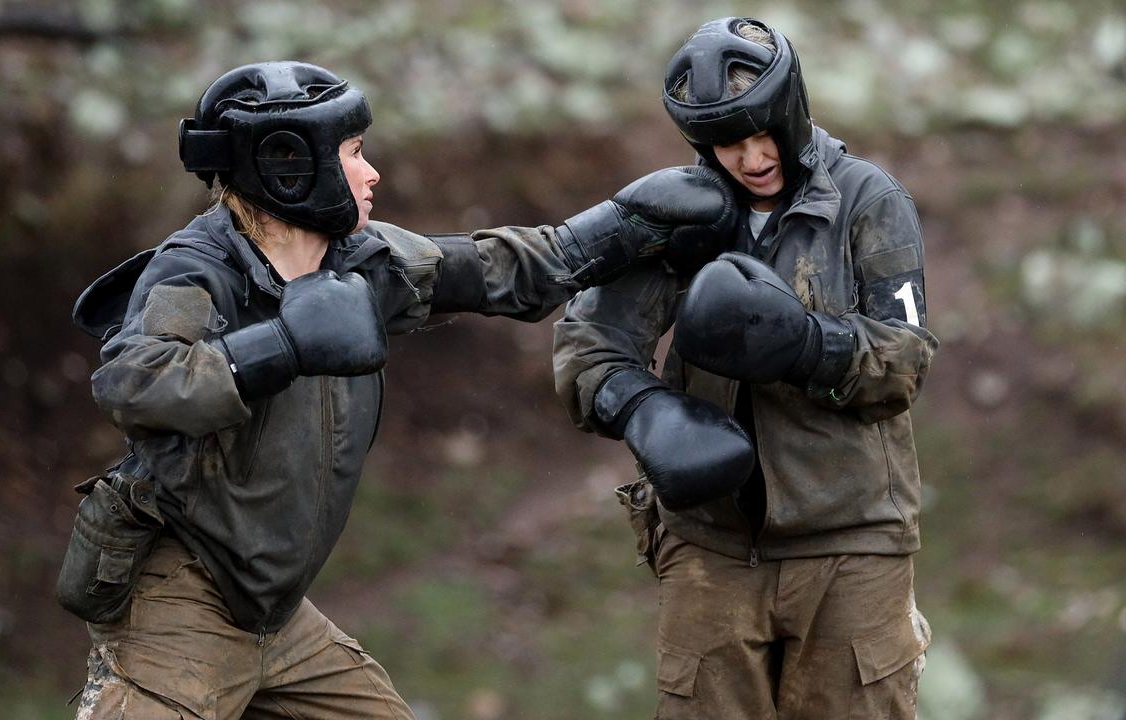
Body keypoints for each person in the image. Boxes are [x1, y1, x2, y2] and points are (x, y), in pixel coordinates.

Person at [56, 60, 738, 719]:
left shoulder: (358, 262)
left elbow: (495, 269)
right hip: (182, 601)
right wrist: (278, 347)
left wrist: (619, 229)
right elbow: (133, 382)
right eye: (353, 152)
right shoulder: (197, 275)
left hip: (276, 616)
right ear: (290, 166)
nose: (371, 171)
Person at [552, 17, 939, 720]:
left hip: (851, 543)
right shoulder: (679, 213)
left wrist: (804, 345)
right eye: (728, 143)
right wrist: (642, 407)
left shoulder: (868, 202)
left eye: (764, 134)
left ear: (792, 111)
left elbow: (906, 362)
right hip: (710, 548)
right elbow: (588, 342)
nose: (753, 157)